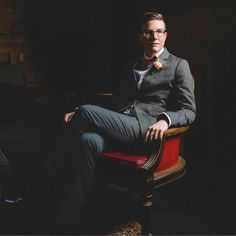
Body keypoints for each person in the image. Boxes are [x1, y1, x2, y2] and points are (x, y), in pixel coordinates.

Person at [41, 11, 196, 233]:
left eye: (159, 32)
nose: (154, 36)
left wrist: (165, 120)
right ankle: (67, 217)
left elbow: (189, 110)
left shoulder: (179, 65)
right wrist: (82, 112)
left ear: (166, 35)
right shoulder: (133, 65)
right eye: (148, 32)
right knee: (89, 140)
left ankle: (51, 172)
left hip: (144, 131)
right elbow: (117, 102)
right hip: (120, 126)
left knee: (84, 111)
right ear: (140, 37)